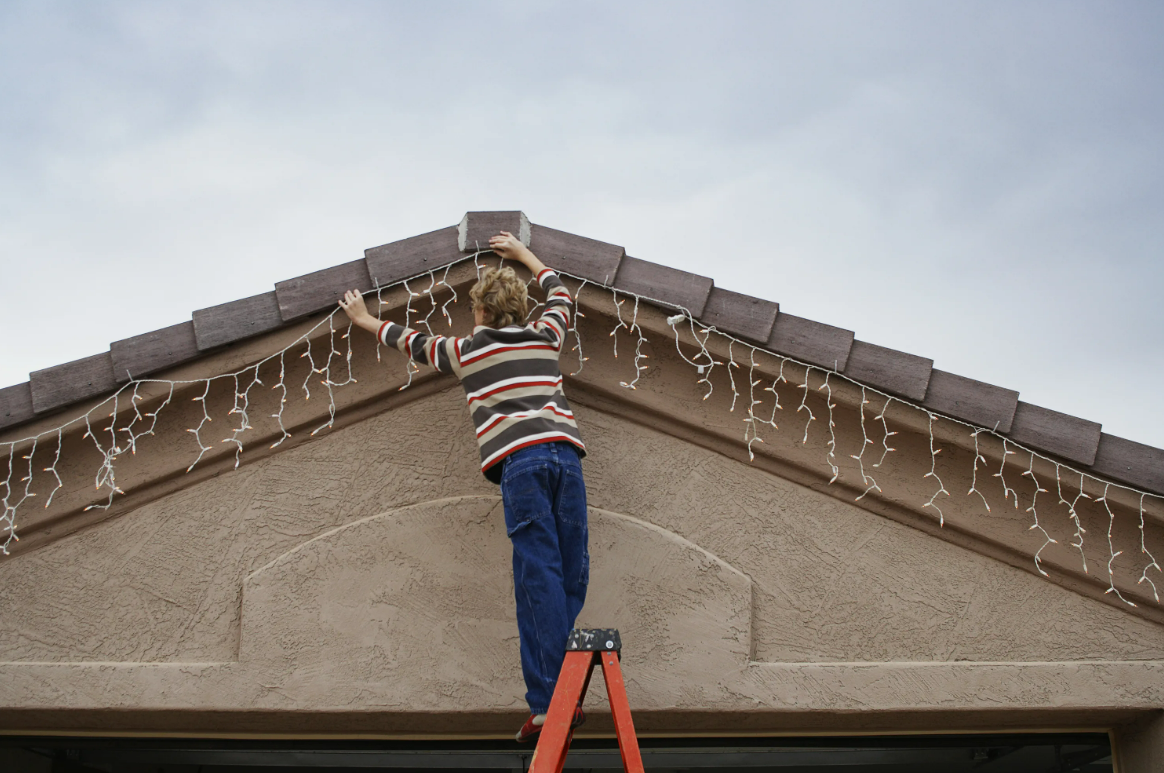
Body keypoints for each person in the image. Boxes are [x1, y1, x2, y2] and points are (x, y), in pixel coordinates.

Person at [339, 231, 588, 742]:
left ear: (478, 313)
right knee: (568, 570)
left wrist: (364, 320)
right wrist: (524, 255)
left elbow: (410, 341)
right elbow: (562, 294)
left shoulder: (466, 351)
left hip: (523, 464)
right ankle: (556, 691)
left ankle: (552, 695)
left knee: (540, 574)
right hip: (563, 459)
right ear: (519, 309)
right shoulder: (545, 335)